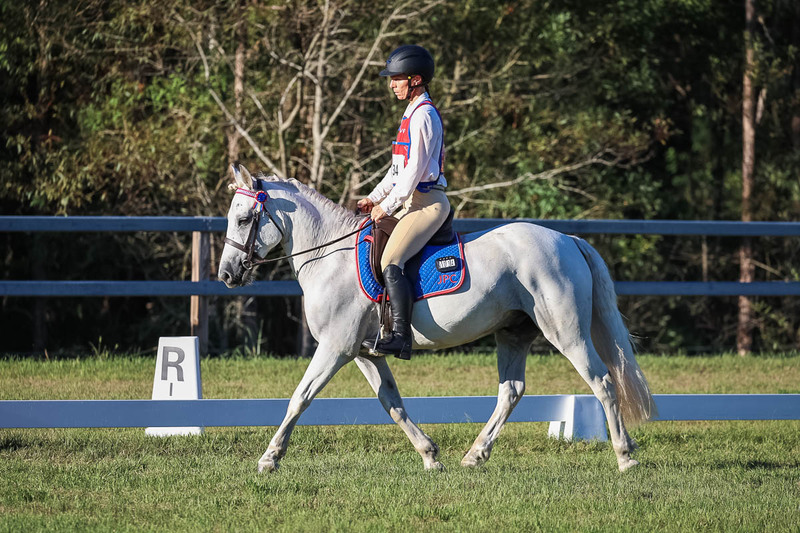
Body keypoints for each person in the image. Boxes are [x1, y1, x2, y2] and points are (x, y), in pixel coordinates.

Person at [357, 44, 449, 359]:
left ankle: (401, 337)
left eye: (397, 78)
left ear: (416, 79)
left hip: (426, 203)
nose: (392, 84)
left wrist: (389, 206)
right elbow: (396, 171)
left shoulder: (423, 115)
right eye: (392, 78)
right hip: (411, 200)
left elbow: (412, 175)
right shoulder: (410, 114)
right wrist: (374, 197)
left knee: (390, 261)